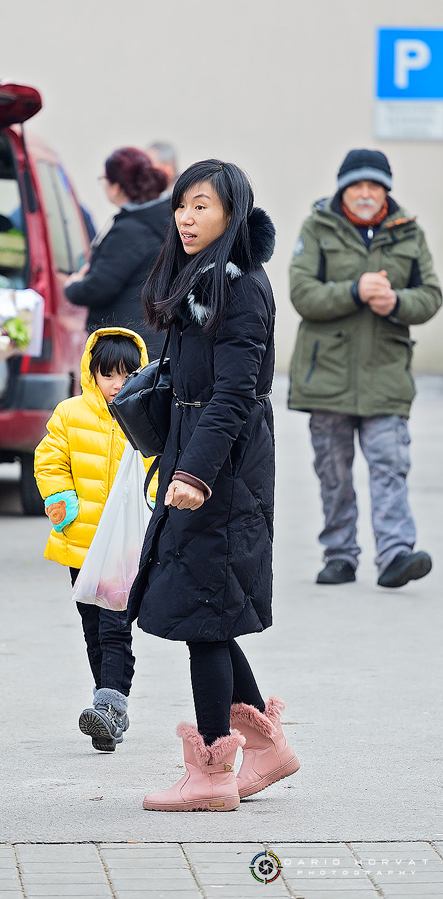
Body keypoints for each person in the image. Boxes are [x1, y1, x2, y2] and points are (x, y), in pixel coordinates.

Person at [127, 159, 299, 812]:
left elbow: (233, 395)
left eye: (202, 205)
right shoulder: (199, 280)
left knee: (206, 613)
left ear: (232, 212)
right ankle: (268, 748)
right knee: (211, 607)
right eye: (181, 206)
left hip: (222, 471)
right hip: (197, 457)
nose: (188, 218)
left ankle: (211, 775)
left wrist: (195, 473)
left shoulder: (242, 288)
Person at [289, 149, 442, 588]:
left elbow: (430, 295)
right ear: (342, 190)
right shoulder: (317, 227)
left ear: (386, 191)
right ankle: (340, 554)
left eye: (374, 185)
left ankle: (395, 554)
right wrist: (354, 290)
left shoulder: (409, 232)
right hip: (327, 376)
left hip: (386, 374)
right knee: (334, 473)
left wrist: (398, 303)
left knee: (389, 465)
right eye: (356, 185)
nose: (365, 193)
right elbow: (303, 293)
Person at [35, 327, 155, 752]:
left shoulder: (147, 413)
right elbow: (49, 459)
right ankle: (110, 711)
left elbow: (160, 466)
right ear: (92, 373)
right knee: (93, 629)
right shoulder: (70, 414)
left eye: (127, 375)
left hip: (124, 547)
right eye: (109, 376)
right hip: (82, 543)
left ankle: (106, 706)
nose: (118, 385)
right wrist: (60, 499)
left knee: (115, 627)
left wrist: (156, 508)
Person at [63, 147, 171, 359]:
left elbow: (100, 286)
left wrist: (73, 287)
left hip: (124, 344)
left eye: (104, 178)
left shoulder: (131, 230)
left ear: (116, 186)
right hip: (149, 336)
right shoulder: (160, 220)